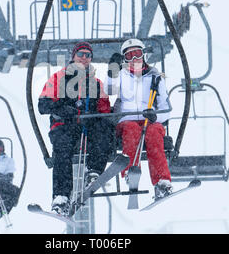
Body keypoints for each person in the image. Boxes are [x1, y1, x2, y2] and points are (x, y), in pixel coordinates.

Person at [38, 41, 114, 216]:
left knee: (104, 130)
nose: (84, 58)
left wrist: (101, 116)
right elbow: (43, 105)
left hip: (88, 126)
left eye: (88, 55)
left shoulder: (95, 83)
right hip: (65, 125)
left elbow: (104, 110)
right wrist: (62, 108)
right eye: (81, 54)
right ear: (73, 56)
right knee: (62, 149)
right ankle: (61, 197)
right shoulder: (59, 78)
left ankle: (94, 171)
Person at [105, 38, 172, 200]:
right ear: (124, 59)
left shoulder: (156, 77)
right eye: (129, 56)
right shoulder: (121, 75)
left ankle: (162, 181)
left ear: (144, 55)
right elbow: (110, 90)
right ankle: (130, 171)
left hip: (149, 120)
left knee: (155, 132)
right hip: (125, 120)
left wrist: (156, 116)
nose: (134, 59)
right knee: (131, 128)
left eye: (138, 54)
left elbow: (166, 107)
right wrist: (113, 70)